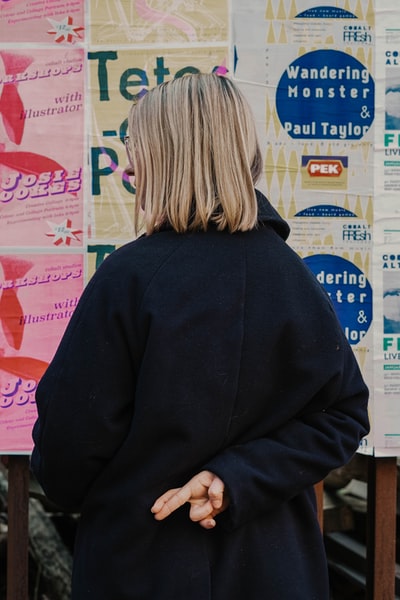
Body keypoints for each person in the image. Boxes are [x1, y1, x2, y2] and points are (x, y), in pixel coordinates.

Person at [31, 73, 369, 600]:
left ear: (171, 157)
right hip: (274, 571)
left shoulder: (128, 279)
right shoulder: (291, 277)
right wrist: (237, 478)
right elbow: (342, 416)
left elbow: (67, 456)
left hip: (143, 566)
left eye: (136, 150)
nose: (130, 170)